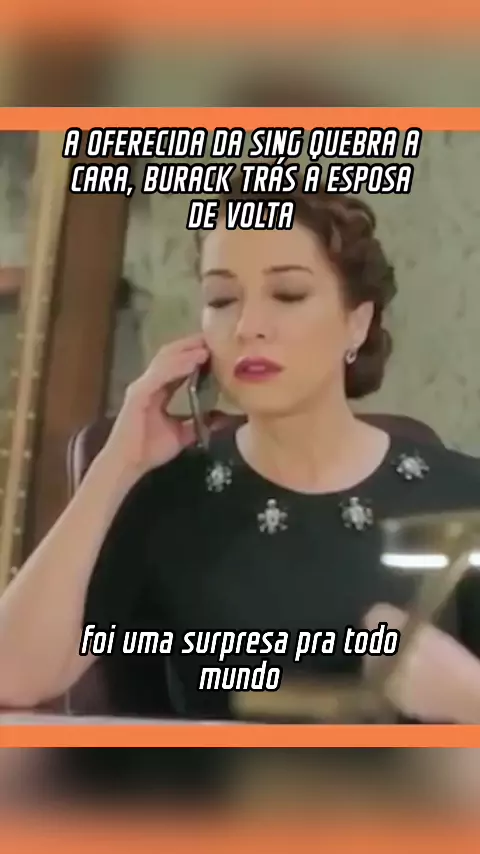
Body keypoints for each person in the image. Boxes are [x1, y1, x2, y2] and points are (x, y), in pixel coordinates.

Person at [1, 176, 480, 727]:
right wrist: (117, 464)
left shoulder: (463, 498)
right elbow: (11, 675)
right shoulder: (163, 499)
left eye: (288, 294)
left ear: (357, 321)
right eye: (222, 300)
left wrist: (467, 697)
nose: (249, 327)